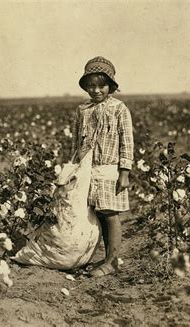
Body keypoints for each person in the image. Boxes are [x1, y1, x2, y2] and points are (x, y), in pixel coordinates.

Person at [70, 57, 134, 277]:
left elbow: (127, 141)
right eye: (91, 86)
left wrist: (124, 172)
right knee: (97, 212)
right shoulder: (82, 110)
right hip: (88, 170)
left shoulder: (118, 108)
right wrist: (74, 167)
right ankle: (107, 258)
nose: (96, 90)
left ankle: (113, 260)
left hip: (109, 169)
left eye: (101, 86)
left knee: (110, 213)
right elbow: (76, 142)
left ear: (111, 86)